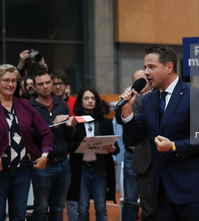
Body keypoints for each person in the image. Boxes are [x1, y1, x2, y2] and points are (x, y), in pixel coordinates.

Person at [119, 45, 199, 220]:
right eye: (145, 67)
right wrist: (127, 112)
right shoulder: (148, 99)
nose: (146, 72)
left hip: (193, 190)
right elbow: (134, 137)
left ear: (169, 67)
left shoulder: (194, 95)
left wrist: (173, 146)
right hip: (162, 191)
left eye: (151, 67)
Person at [0, 64, 53, 221]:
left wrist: (44, 155)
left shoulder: (25, 105)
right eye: (5, 80)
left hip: (22, 172)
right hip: (0, 172)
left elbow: (46, 133)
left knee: (18, 216)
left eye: (13, 80)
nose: (10, 84)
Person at [30, 70, 77, 221]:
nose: (45, 86)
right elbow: (30, 137)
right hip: (43, 164)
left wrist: (71, 126)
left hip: (63, 163)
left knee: (58, 209)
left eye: (48, 82)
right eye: (41, 84)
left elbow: (69, 137)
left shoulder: (61, 104)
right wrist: (53, 125)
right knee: (41, 209)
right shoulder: (30, 107)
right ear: (35, 87)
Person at [68, 87, 120, 221]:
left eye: (92, 98)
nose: (90, 101)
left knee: (101, 208)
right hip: (81, 168)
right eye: (86, 98)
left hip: (100, 168)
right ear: (81, 101)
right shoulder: (74, 122)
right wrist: (83, 145)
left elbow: (116, 148)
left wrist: (111, 149)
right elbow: (69, 144)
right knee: (83, 208)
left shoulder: (106, 122)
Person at [116, 69, 155, 221]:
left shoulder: (157, 98)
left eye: (144, 78)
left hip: (153, 154)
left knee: (154, 202)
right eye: (137, 80)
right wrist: (127, 104)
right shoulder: (132, 99)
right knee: (131, 200)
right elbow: (121, 119)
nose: (142, 82)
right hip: (133, 155)